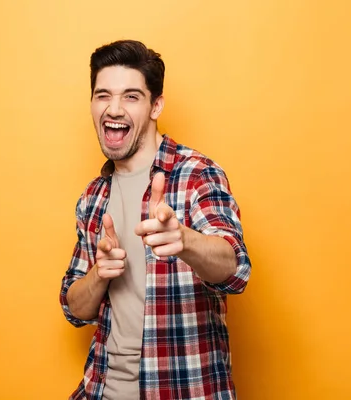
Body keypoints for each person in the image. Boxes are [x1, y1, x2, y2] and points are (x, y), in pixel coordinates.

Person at [59, 39, 251, 400]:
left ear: (155, 106)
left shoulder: (196, 174)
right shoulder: (93, 197)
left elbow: (235, 267)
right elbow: (75, 308)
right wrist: (99, 274)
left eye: (131, 96)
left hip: (182, 389)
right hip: (103, 389)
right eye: (103, 95)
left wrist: (185, 239)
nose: (113, 109)